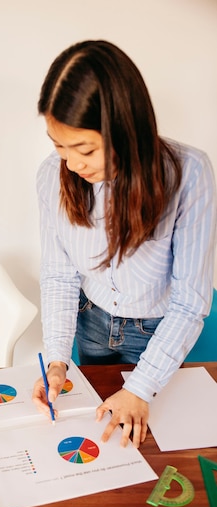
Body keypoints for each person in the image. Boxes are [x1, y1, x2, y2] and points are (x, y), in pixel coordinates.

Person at [32, 40, 216, 447]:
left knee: (148, 445)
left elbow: (190, 301)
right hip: (91, 323)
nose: (71, 165)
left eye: (85, 149)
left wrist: (141, 386)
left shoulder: (190, 175)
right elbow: (60, 275)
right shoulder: (52, 177)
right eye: (58, 145)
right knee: (100, 440)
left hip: (157, 332)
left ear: (125, 130)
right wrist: (58, 359)